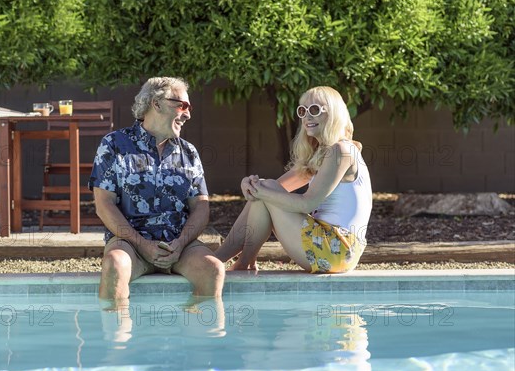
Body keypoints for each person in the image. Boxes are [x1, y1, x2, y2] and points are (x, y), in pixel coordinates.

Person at [89, 77, 225, 305]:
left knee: (214, 269)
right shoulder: (114, 144)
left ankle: (195, 334)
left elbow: (201, 207)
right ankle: (117, 340)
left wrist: (180, 243)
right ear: (157, 103)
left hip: (178, 246)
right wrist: (142, 244)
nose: (188, 114)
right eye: (182, 106)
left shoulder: (189, 152)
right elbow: (104, 204)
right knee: (114, 265)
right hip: (129, 243)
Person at [215, 86, 372, 273]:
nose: (307, 116)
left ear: (334, 114)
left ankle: (220, 260)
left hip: (337, 248)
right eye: (302, 111)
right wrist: (250, 186)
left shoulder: (341, 151)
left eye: (314, 109)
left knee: (266, 190)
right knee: (266, 189)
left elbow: (307, 204)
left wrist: (260, 190)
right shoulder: (321, 154)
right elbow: (276, 189)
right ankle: (237, 261)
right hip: (332, 248)